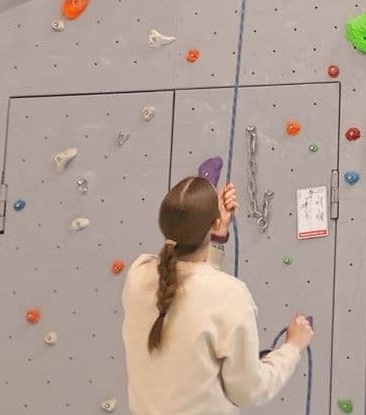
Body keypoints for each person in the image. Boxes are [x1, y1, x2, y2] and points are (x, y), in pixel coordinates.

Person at [121, 176, 314, 415]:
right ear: (212, 225)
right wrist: (293, 346)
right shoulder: (230, 295)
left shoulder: (139, 274)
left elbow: (191, 281)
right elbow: (250, 391)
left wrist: (214, 231)